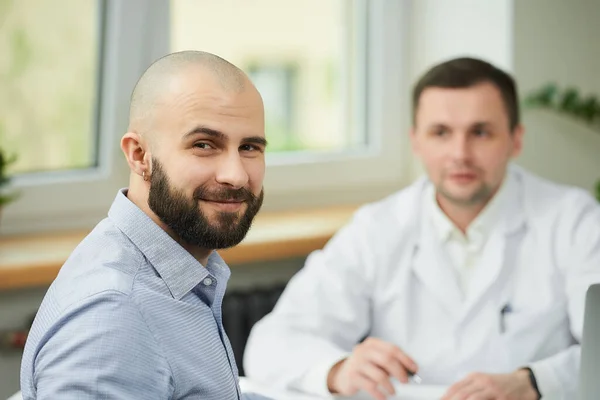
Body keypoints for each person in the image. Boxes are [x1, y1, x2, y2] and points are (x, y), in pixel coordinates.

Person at [244, 57, 600, 400]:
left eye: (480, 132)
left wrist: (535, 381)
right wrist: (337, 369)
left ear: (515, 139)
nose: (460, 153)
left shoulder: (574, 220)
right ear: (416, 141)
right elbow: (270, 344)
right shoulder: (377, 228)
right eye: (441, 132)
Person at [21, 51, 271, 400]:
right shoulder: (115, 316)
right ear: (139, 155)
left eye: (248, 147)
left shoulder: (180, 274)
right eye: (204, 145)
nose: (236, 175)